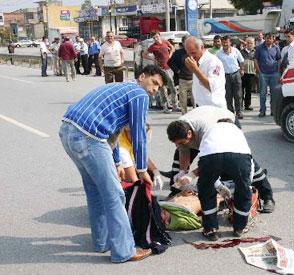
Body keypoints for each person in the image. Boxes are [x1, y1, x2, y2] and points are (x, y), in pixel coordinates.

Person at [59, 65, 167, 263]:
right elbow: (138, 134)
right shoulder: (138, 94)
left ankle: (102, 242)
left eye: (158, 88)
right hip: (89, 137)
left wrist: (117, 161)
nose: (154, 90)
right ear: (142, 76)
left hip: (68, 132)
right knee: (115, 195)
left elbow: (113, 131)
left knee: (95, 192)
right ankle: (125, 251)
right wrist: (142, 169)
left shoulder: (121, 88)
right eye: (154, 83)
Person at [165, 106, 275, 213]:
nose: (177, 146)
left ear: (189, 134)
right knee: (179, 159)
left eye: (179, 143)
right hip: (204, 124)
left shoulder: (207, 131)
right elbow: (183, 150)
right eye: (175, 143)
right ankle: (176, 192)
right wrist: (182, 172)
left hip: (226, 122)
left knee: (242, 161)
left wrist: (192, 175)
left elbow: (210, 162)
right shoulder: (178, 127)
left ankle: (267, 197)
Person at [179, 121, 254, 240]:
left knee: (206, 189)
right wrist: (245, 186)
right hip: (239, 156)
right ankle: (240, 227)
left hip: (211, 156)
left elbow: (208, 163)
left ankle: (210, 230)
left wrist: (216, 184)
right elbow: (249, 169)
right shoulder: (237, 131)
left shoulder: (210, 129)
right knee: (243, 190)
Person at [184, 36, 227, 108]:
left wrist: (195, 70)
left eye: (193, 53)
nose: (191, 56)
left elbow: (212, 87)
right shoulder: (197, 61)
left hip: (214, 108)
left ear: (202, 47)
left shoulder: (213, 61)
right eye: (188, 54)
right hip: (202, 107)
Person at [144, 30, 179, 113]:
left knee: (172, 86)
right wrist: (153, 59)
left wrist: (170, 55)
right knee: (162, 88)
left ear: (159, 35)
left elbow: (172, 48)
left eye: (157, 36)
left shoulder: (165, 42)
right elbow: (144, 54)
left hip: (168, 67)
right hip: (160, 68)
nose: (156, 39)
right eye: (154, 38)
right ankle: (165, 106)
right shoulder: (153, 46)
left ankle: (175, 105)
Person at [217, 36, 245, 119]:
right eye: (223, 42)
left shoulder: (235, 51)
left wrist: (242, 69)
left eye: (227, 42)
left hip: (236, 74)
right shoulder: (219, 53)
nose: (225, 44)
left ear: (230, 43)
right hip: (225, 76)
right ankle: (230, 112)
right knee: (228, 96)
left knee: (238, 95)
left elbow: (242, 61)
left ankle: (239, 112)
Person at [254, 33, 281, 117]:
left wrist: (278, 70)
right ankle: (262, 111)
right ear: (265, 38)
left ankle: (273, 110)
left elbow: (279, 59)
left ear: (273, 39)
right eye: (267, 38)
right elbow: (255, 60)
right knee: (262, 93)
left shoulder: (276, 48)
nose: (269, 40)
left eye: (270, 38)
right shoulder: (259, 48)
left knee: (274, 94)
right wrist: (259, 71)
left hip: (274, 74)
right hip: (263, 74)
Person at [168, 35, 194, 114]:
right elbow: (170, 62)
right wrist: (177, 70)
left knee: (195, 98)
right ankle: (184, 114)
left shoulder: (194, 51)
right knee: (183, 99)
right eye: (185, 42)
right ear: (182, 43)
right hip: (183, 79)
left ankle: (195, 112)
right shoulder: (178, 52)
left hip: (193, 78)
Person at [241, 37, 256, 111]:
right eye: (248, 42)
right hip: (242, 73)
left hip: (251, 74)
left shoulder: (255, 52)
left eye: (251, 43)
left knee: (248, 90)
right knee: (241, 90)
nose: (250, 44)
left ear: (254, 44)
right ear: (245, 43)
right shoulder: (241, 52)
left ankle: (247, 105)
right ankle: (240, 105)